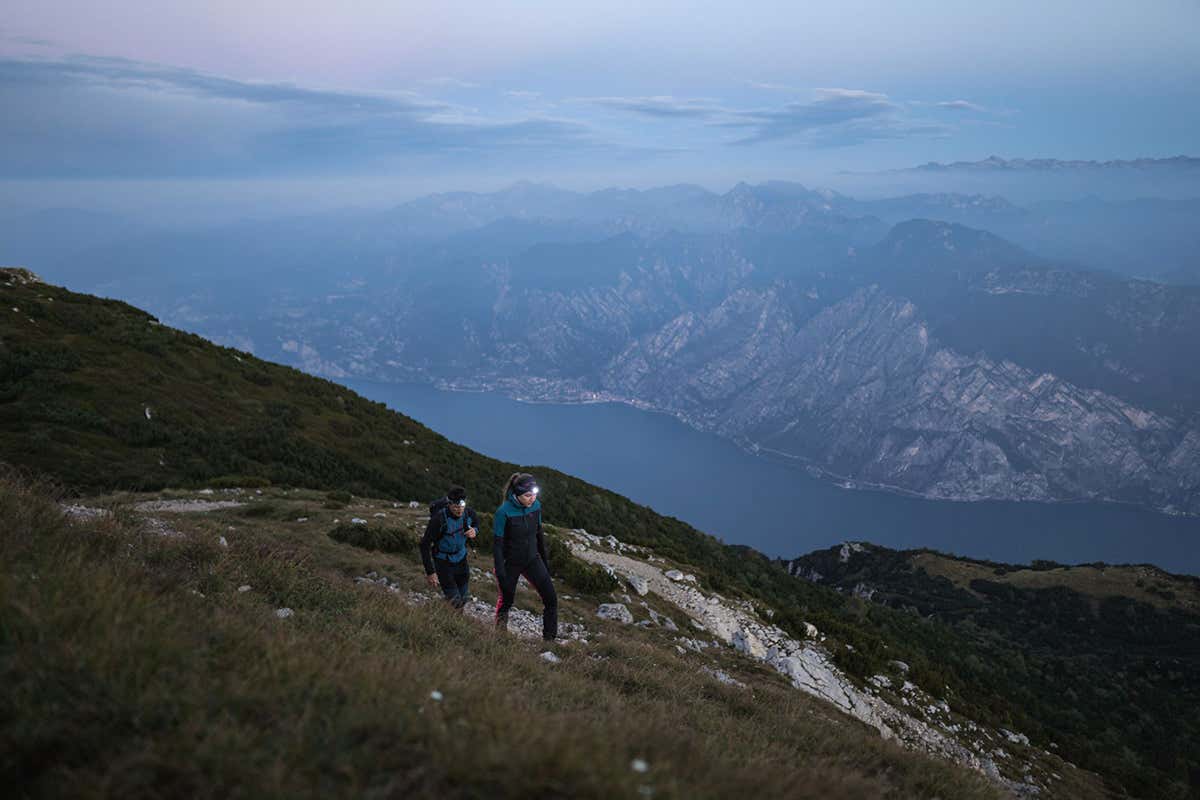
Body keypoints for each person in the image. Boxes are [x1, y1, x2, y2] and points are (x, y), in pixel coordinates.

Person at [493, 472, 557, 640]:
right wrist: (500, 573)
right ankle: (500, 636)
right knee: (507, 601)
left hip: (532, 559)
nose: (532, 498)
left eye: (534, 494)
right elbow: (497, 545)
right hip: (510, 563)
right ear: (516, 495)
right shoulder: (503, 512)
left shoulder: (536, 507)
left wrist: (545, 562)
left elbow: (539, 535)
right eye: (528, 495)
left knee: (551, 599)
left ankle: (549, 641)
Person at [420, 485, 478, 609]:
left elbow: (476, 523)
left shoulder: (469, 513)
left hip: (461, 560)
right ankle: (447, 622)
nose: (459, 510)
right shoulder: (438, 520)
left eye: (462, 505)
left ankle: (452, 620)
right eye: (456, 506)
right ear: (449, 504)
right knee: (455, 601)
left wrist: (475, 531)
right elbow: (424, 545)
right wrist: (431, 572)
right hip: (443, 563)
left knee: (463, 598)